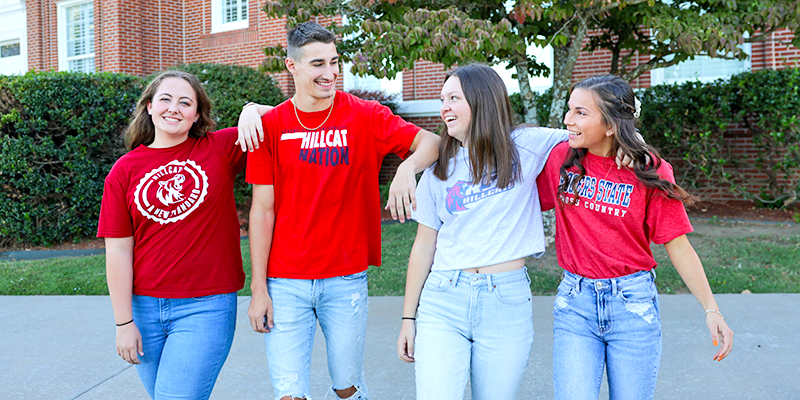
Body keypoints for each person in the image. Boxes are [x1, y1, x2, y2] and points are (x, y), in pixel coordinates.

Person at [239, 21, 440, 400]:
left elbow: (430, 142)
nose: (330, 73)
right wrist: (259, 288)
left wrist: (407, 169)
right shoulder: (270, 126)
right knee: (288, 393)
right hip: (285, 282)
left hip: (344, 278)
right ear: (292, 67)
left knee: (346, 387)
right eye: (317, 64)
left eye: (334, 62)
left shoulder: (365, 115)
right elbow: (262, 212)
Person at [536, 74, 734, 400]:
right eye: (569, 110)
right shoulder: (561, 158)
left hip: (632, 305)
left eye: (580, 113)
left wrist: (711, 308)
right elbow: (518, 141)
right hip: (575, 304)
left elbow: (678, 245)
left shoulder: (649, 169)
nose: (568, 120)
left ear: (611, 125)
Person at [396, 64, 568, 399]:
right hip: (443, 298)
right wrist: (408, 317)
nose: (444, 107)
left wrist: (628, 140)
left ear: (482, 101)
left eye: (454, 98)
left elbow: (585, 134)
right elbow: (423, 247)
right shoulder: (438, 170)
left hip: (506, 301)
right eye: (442, 98)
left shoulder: (524, 146)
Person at [98, 70, 261, 399]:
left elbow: (290, 116)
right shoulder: (124, 170)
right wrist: (123, 323)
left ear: (197, 114)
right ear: (148, 106)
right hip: (143, 311)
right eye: (165, 99)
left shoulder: (219, 148)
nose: (174, 108)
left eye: (186, 102)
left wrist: (252, 108)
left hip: (206, 307)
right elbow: (117, 252)